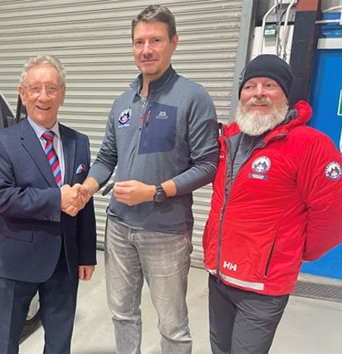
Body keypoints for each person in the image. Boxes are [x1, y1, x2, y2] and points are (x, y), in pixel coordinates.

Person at [76, 5, 220, 353]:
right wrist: (88, 187)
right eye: (139, 41)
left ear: (173, 42)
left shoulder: (193, 98)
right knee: (122, 313)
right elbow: (107, 157)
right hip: (119, 228)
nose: (146, 49)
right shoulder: (122, 102)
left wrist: (154, 192)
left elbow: (207, 164)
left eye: (156, 40)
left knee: (172, 324)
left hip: (166, 230)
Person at [202, 54, 342, 354]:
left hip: (262, 288)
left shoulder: (310, 144)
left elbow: (335, 221)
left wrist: (289, 251)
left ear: (286, 94)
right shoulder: (228, 138)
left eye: (269, 85)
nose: (258, 93)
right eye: (250, 86)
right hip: (218, 275)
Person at [0, 54, 96, 354]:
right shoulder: (1, 142)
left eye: (51, 88)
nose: (43, 96)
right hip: (16, 260)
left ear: (63, 94)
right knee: (5, 341)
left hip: (65, 260)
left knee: (59, 342)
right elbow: (2, 198)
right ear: (22, 94)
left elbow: (85, 202)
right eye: (35, 88)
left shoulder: (78, 142)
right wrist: (56, 199)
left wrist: (87, 254)